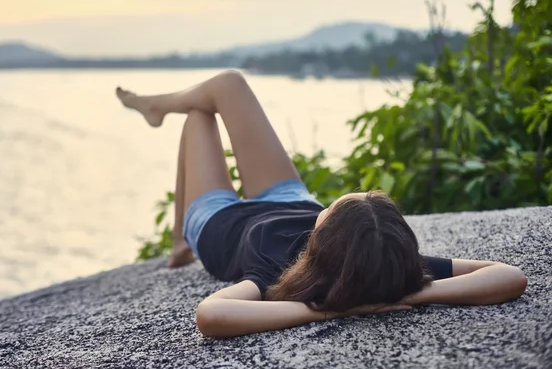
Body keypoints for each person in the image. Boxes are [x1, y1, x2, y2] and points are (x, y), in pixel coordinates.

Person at [115, 70, 527, 339]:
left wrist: (325, 312)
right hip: (288, 199)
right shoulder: (385, 259)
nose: (331, 202)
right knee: (229, 84)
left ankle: (180, 240)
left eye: (332, 207)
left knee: (198, 117)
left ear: (323, 236)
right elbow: (510, 275)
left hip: (220, 221)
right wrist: (412, 295)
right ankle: (156, 106)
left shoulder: (283, 270)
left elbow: (211, 315)